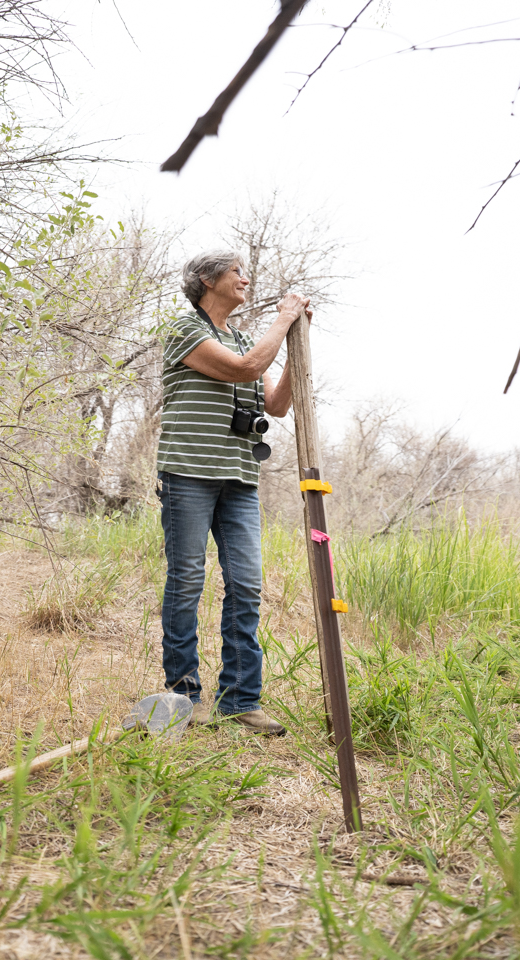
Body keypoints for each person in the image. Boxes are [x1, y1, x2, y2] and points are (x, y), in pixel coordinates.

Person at [157, 250, 311, 735]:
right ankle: (183, 697)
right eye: (236, 272)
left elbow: (278, 404)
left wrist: (294, 340)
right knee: (187, 582)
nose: (246, 279)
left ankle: (240, 700)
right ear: (206, 280)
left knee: (246, 584)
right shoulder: (187, 331)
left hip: (240, 477)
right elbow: (244, 369)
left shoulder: (242, 337)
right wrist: (283, 317)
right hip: (188, 472)